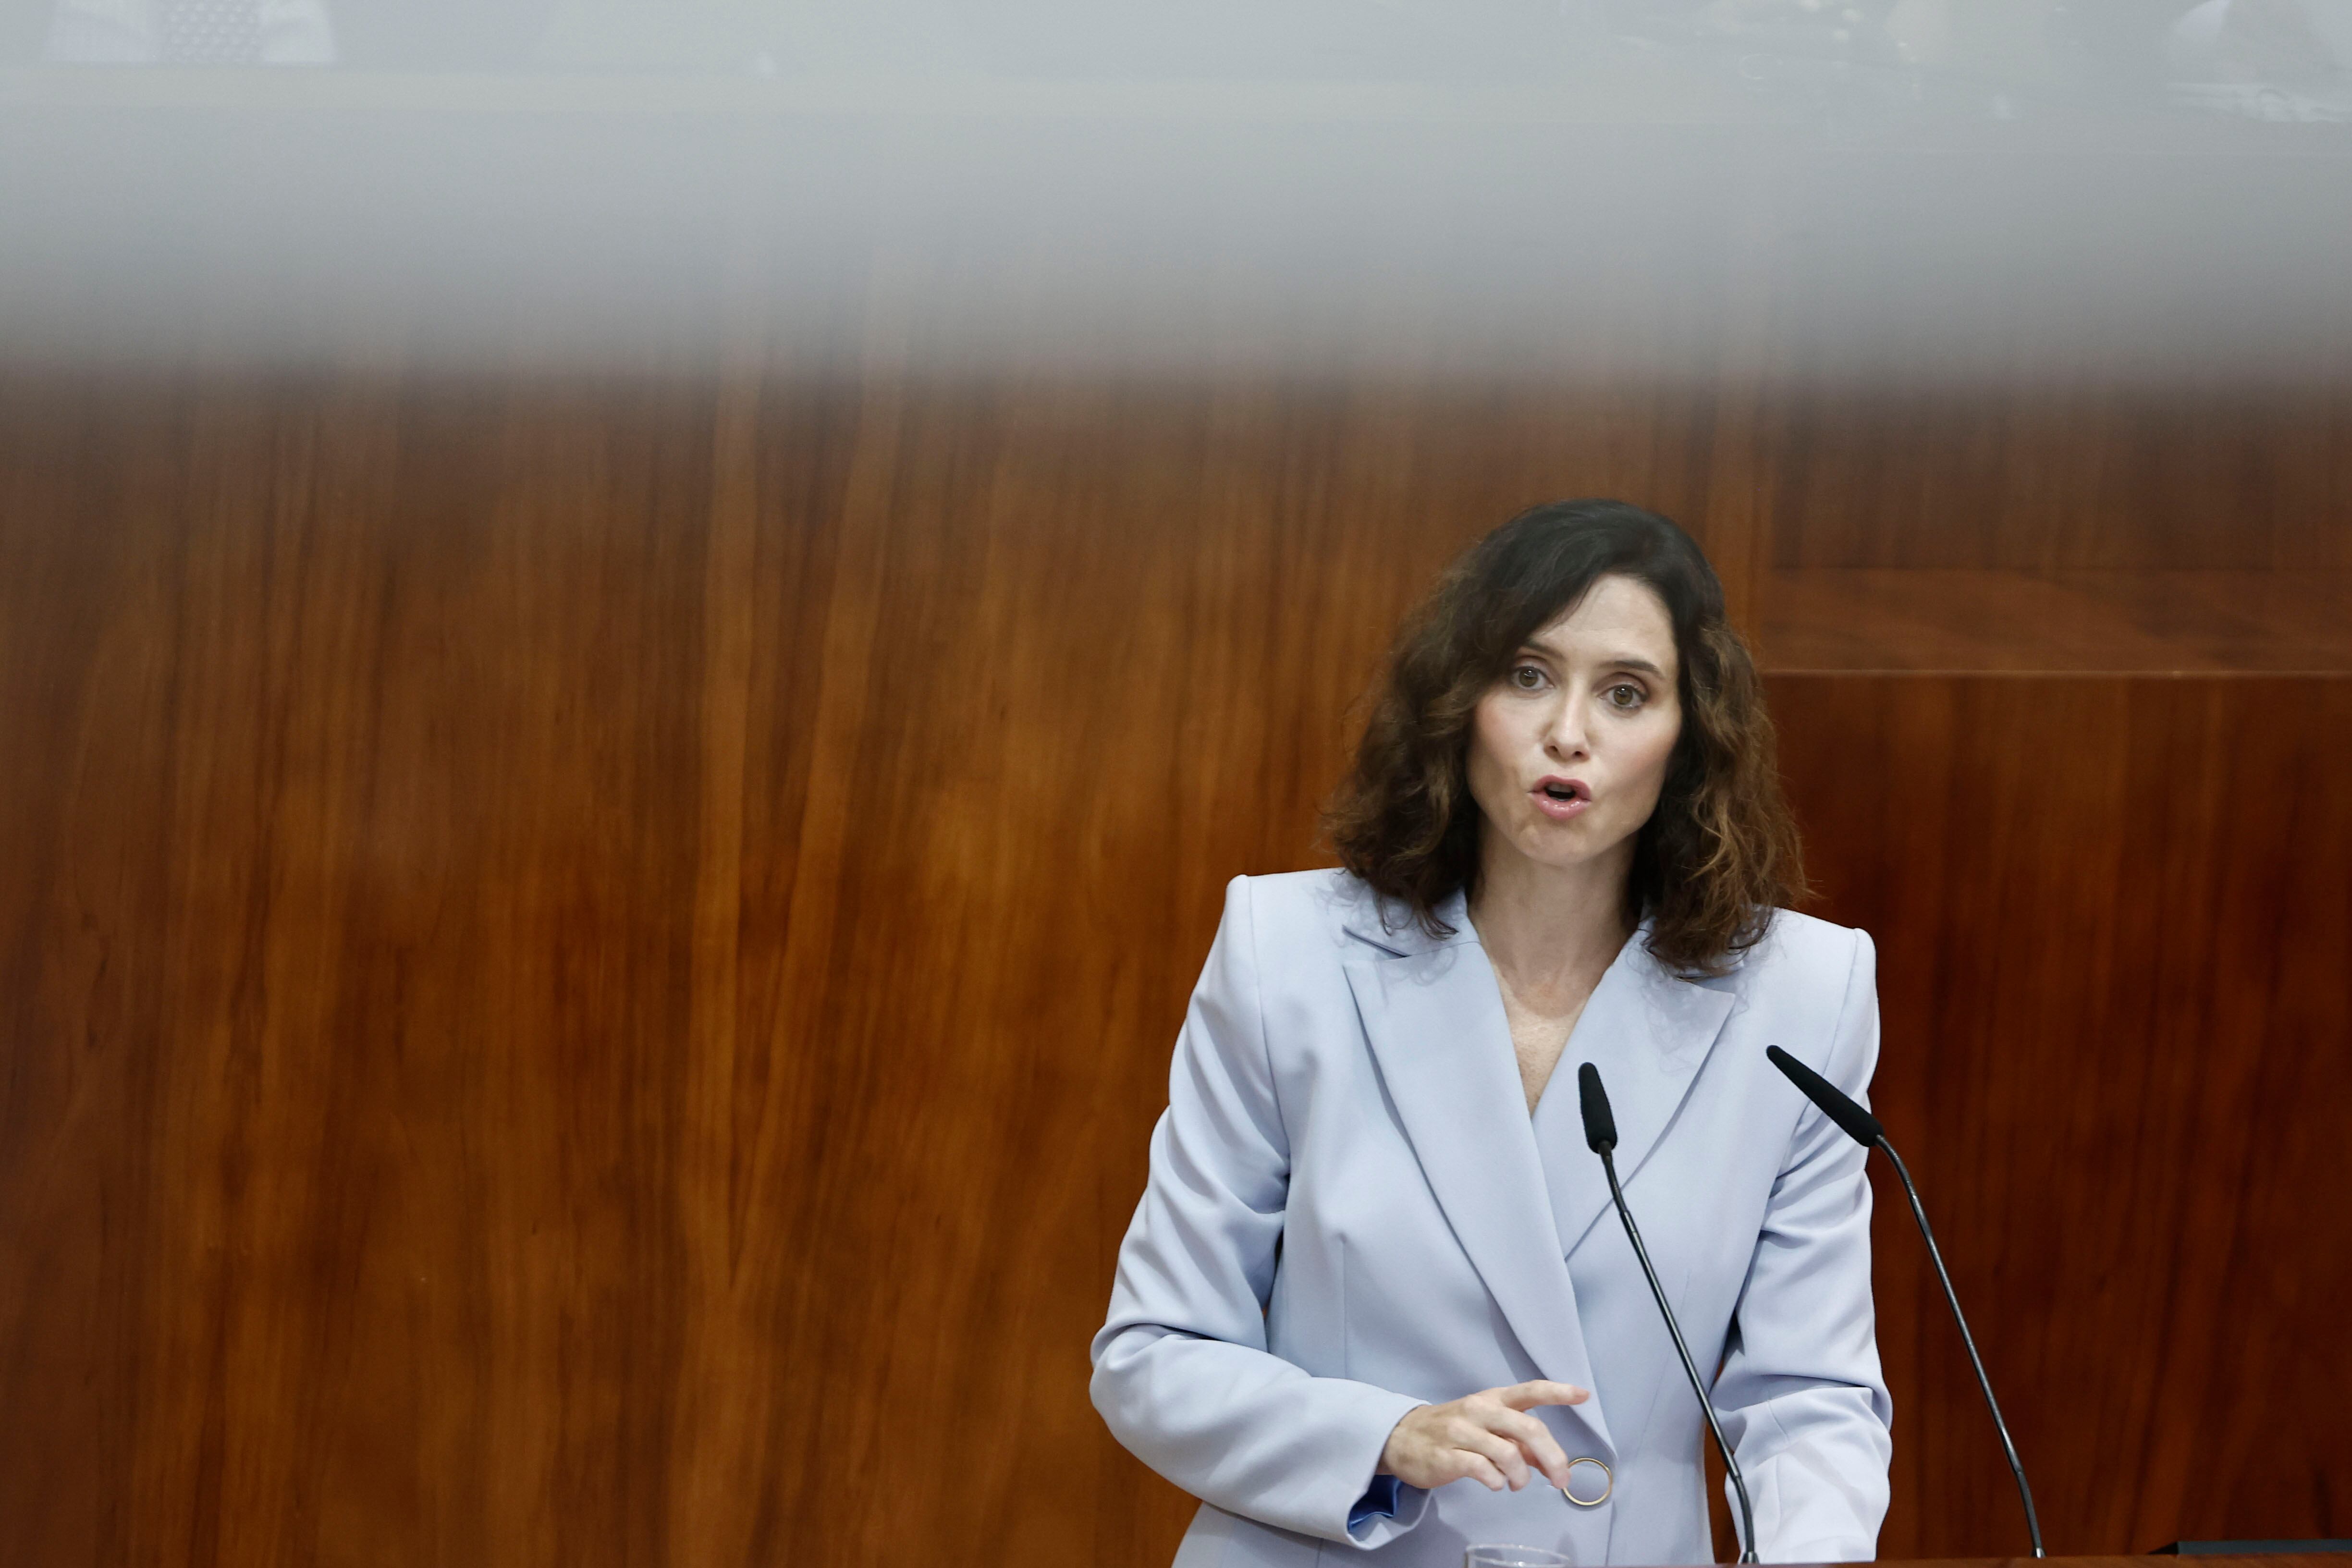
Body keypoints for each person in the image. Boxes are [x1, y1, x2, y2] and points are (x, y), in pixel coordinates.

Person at [1091, 500, 1891, 1566]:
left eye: (1625, 693)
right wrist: (1382, 1436)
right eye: (1527, 674)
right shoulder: (1287, 953)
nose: (1570, 730)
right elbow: (1155, 1354)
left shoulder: (1804, 993)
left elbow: (1809, 1401)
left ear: (1689, 738)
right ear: (1459, 701)